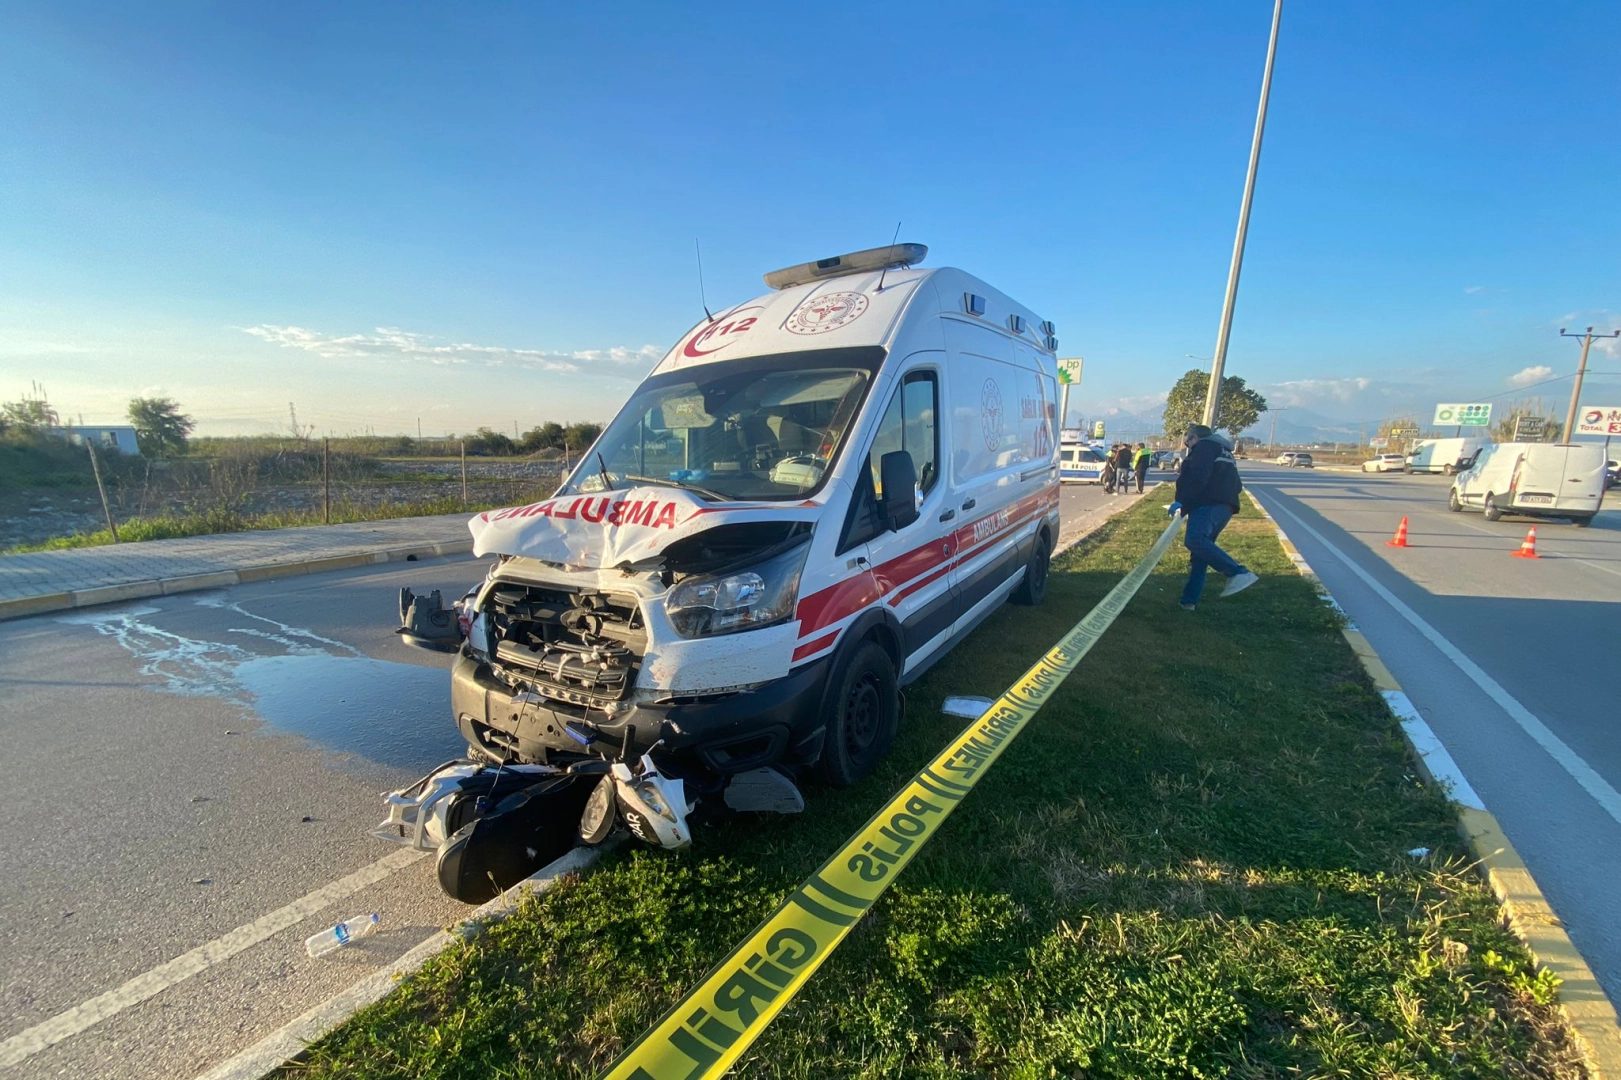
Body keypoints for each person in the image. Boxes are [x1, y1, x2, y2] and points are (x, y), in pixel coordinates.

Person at [1168, 424, 1258, 610]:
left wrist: (1183, 501)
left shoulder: (1204, 448)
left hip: (1207, 505)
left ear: (1195, 438)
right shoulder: (1225, 451)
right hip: (1225, 507)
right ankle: (1188, 602)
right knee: (1201, 554)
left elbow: (1197, 477)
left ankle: (1237, 572)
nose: (1188, 446)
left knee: (1195, 541)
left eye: (1188, 442)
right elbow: (1237, 485)